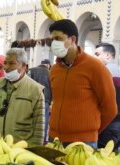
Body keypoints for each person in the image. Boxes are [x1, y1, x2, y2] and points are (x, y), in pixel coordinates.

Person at [48, 19, 117, 148]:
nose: (54, 43)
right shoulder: (54, 70)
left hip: (83, 142)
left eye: (58, 38)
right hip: (55, 139)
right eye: (52, 40)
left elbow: (110, 108)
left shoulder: (95, 67)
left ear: (72, 39)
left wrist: (91, 131)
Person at [0, 48, 45, 147]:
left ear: (24, 66)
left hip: (20, 147)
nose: (6, 67)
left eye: (11, 63)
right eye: (5, 63)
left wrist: (37, 150)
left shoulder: (35, 90)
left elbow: (39, 126)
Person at [95, 43, 120, 152]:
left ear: (108, 56)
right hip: (116, 124)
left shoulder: (103, 72)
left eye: (97, 54)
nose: (94, 57)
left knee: (102, 155)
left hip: (107, 124)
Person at [29, 59, 52, 144]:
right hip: (45, 100)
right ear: (48, 65)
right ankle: (40, 143)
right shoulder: (50, 73)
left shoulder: (32, 70)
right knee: (43, 122)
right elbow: (52, 87)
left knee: (30, 120)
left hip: (31, 99)